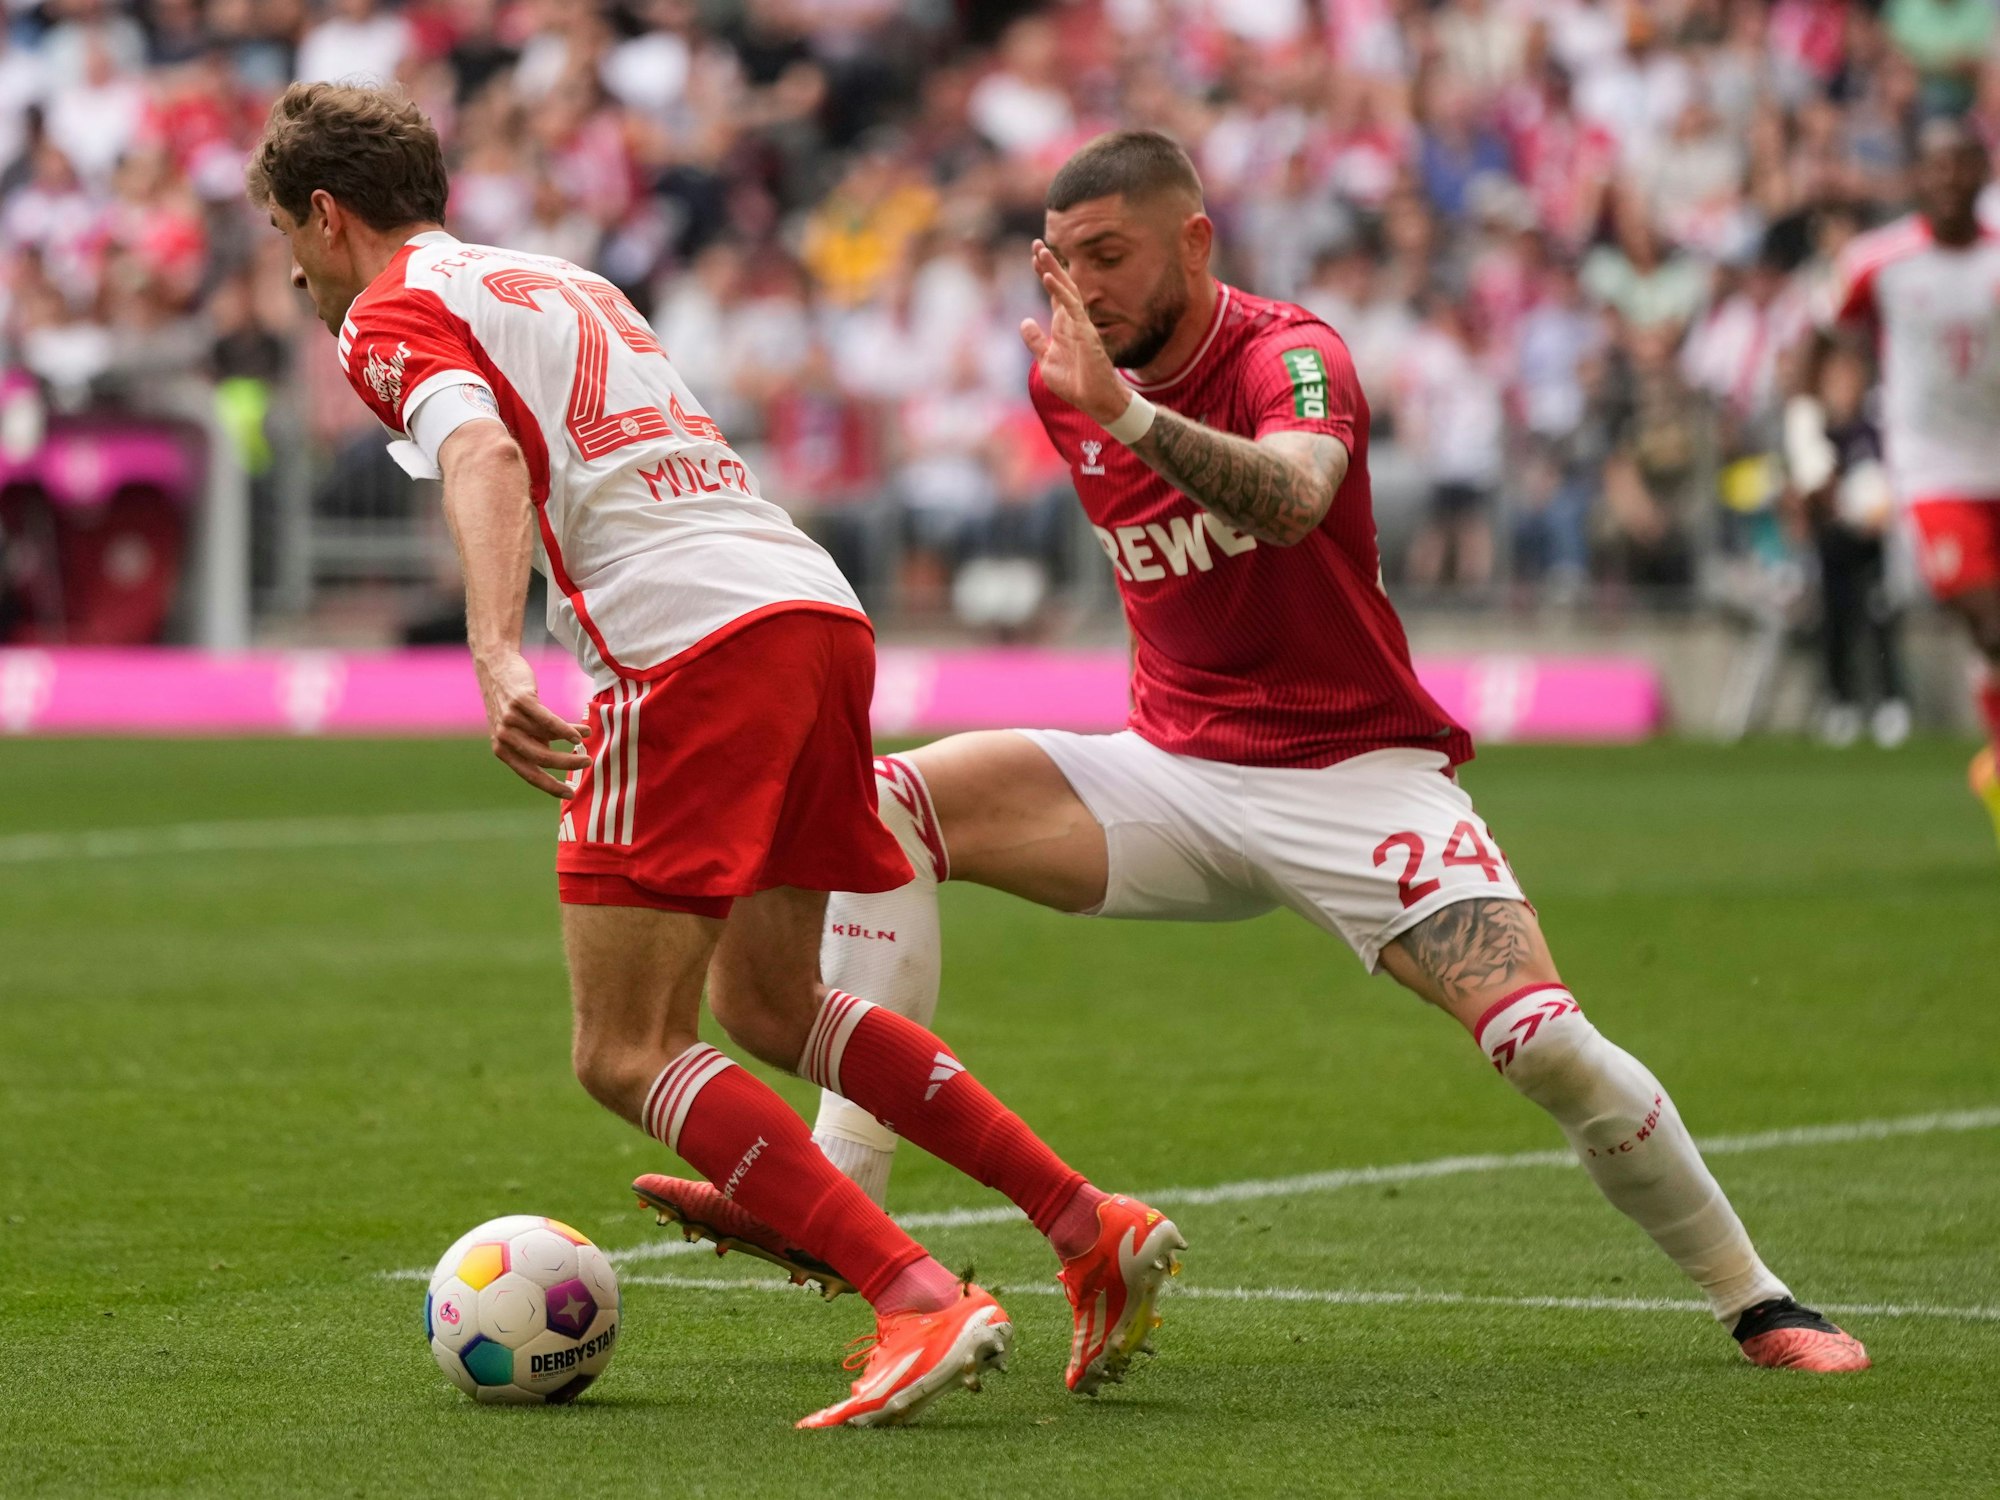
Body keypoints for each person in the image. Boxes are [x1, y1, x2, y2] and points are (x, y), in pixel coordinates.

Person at [641, 129, 1871, 1375]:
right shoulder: (1066, 372)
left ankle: (1757, 1302)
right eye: (1060, 263)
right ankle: (841, 1208)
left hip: (1352, 777)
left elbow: (1288, 499)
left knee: (1541, 1041)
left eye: (1111, 256)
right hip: (1170, 774)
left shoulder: (1290, 355)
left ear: (1194, 240)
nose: (1084, 290)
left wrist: (1120, 409)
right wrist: (1100, 392)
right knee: (875, 811)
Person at [245, 83, 1184, 1429]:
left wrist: (498, 651)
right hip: (807, 607)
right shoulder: (554, 275)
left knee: (623, 1048)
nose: (289, 263)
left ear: (326, 216)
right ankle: (1085, 1222)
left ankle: (913, 1296)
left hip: (681, 644)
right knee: (772, 1001)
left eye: (287, 229)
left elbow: (481, 450)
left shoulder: (389, 307)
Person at [1819, 118, 2000, 846]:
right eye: (1937, 168)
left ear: (1982, 173)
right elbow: (1818, 343)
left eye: (1964, 167)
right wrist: (1817, 450)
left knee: (1992, 644)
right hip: (1933, 471)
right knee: (1990, 622)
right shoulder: (1878, 261)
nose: (1950, 180)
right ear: (1917, 179)